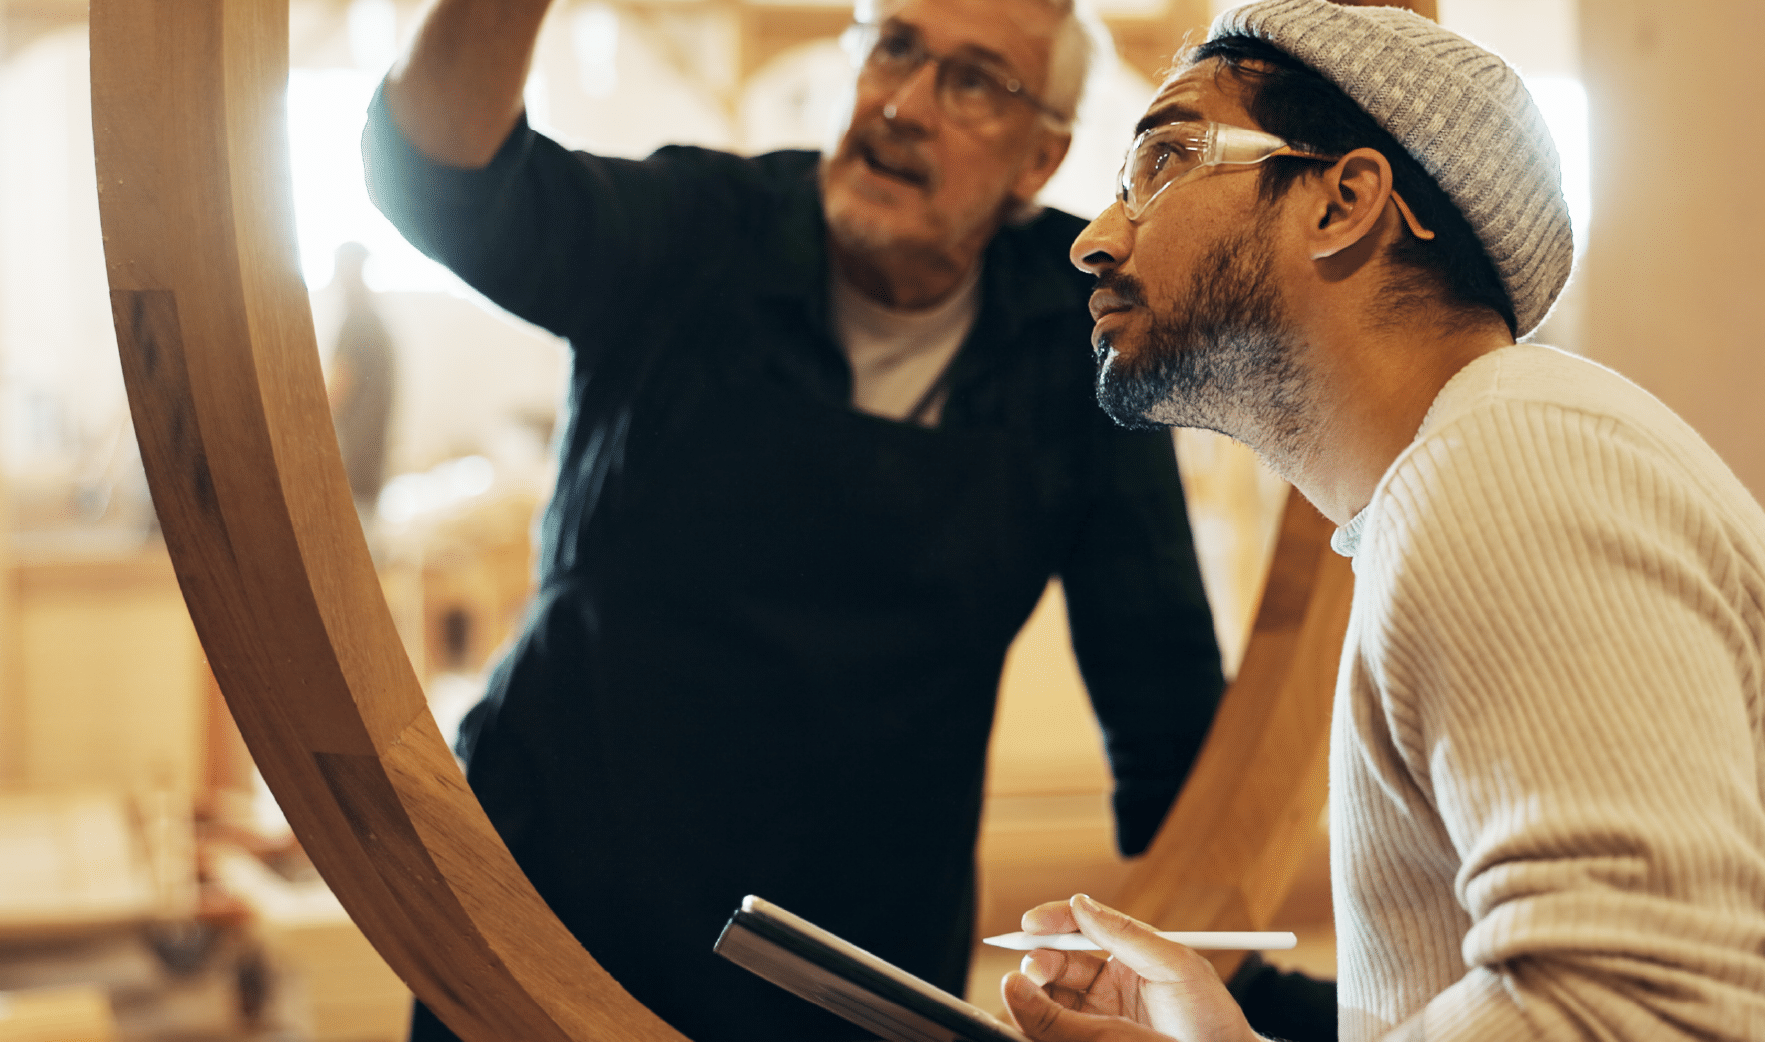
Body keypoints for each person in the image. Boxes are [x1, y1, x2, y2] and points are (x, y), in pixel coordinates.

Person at [998, 2, 1765, 1039]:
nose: (1095, 238)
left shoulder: (1507, 464)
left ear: (1342, 202)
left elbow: (1641, 1007)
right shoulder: (1458, 475)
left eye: (1163, 159)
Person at [362, 0, 1230, 1039]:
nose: (904, 105)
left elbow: (1167, 722)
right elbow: (444, 183)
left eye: (972, 82)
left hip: (843, 971)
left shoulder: (1075, 328)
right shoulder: (699, 226)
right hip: (549, 910)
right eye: (895, 48)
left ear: (1038, 162)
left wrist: (1205, 990)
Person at [324, 241, 397, 511]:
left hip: (357, 456)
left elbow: (338, 390)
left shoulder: (358, 323)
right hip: (369, 454)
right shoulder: (371, 320)